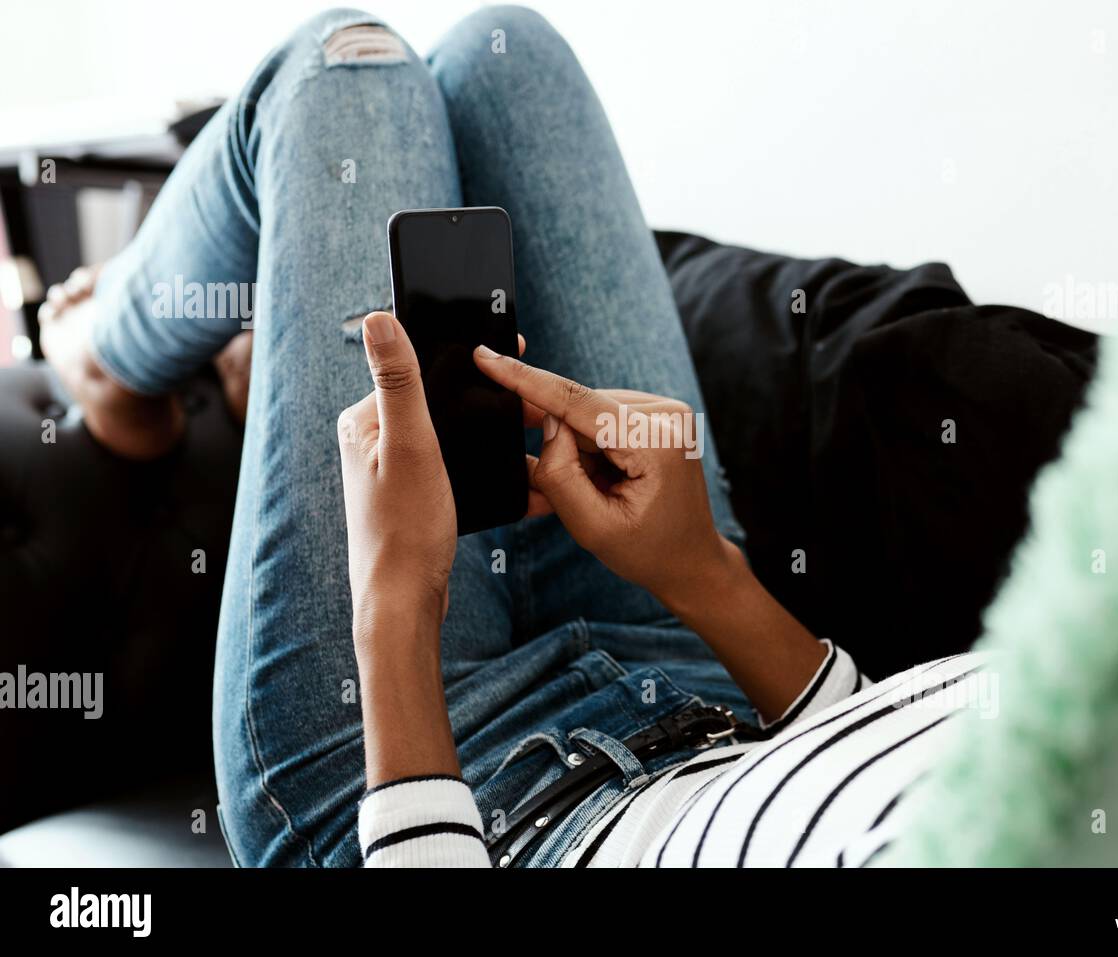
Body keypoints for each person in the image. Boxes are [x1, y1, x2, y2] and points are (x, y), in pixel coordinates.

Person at [38, 6, 988, 867]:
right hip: (699, 669)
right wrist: (702, 568)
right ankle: (259, 371)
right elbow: (858, 733)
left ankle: (109, 358)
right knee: (508, 52)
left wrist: (396, 611)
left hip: (437, 785)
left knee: (342, 66)